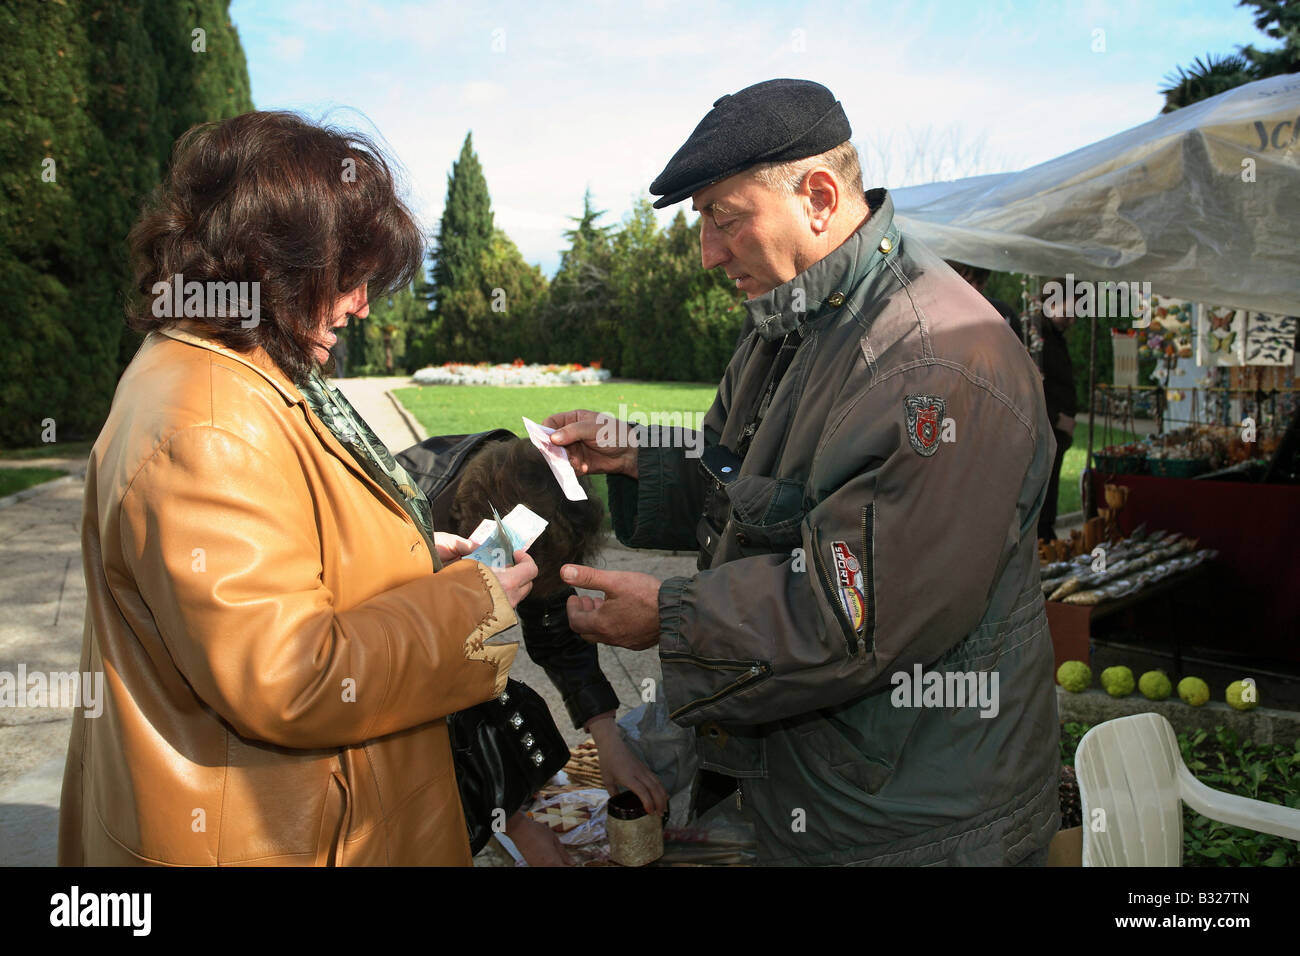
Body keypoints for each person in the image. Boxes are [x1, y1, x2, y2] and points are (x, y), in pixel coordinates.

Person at [545, 79, 1061, 865]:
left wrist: (672, 616)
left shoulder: (939, 361)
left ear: (819, 196)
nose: (709, 253)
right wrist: (635, 454)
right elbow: (744, 481)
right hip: (821, 797)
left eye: (725, 219)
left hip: (914, 824)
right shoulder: (789, 320)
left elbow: (857, 612)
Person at [59, 111, 538, 867]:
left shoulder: (239, 368)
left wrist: (414, 563)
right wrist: (474, 604)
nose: (362, 304)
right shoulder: (207, 426)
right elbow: (293, 678)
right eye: (350, 277)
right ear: (275, 263)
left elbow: (293, 566)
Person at [406, 435, 670, 865]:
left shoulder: (529, 489)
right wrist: (511, 824)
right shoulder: (406, 533)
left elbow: (556, 628)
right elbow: (423, 701)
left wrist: (607, 737)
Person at [1033, 278, 1080, 541]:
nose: (1072, 321)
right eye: (1069, 312)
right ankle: (1043, 540)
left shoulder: (1054, 335)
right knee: (1042, 496)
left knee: (1050, 495)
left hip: (1057, 433)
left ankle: (1046, 536)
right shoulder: (1036, 335)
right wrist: (1057, 419)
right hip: (1046, 430)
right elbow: (1028, 387)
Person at [946, 259, 1025, 344]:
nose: (974, 288)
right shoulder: (939, 313)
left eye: (980, 282)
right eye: (968, 282)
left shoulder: (1001, 312)